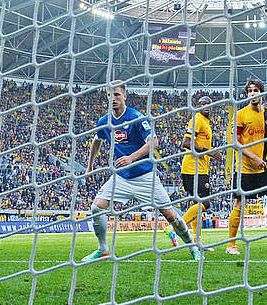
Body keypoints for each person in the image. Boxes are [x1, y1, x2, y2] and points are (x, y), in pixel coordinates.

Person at [80, 83, 200, 262]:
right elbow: (96, 141)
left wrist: (131, 158)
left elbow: (154, 142)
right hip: (121, 178)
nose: (113, 98)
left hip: (145, 177)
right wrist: (90, 166)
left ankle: (192, 246)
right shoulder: (104, 122)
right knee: (96, 207)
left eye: (117, 95)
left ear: (125, 96)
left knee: (171, 215)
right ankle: (103, 249)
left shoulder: (136, 117)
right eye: (109, 95)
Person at [225, 80, 267, 255]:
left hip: (264, 167)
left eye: (256, 90)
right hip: (245, 169)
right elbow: (234, 142)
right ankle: (231, 245)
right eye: (249, 91)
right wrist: (253, 157)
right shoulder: (240, 115)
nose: (252, 94)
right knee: (239, 203)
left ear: (261, 93)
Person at [171, 94, 215, 249]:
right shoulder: (197, 119)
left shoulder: (206, 122)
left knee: (198, 205)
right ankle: (174, 228)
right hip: (193, 169)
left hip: (200, 169)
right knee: (206, 203)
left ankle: (197, 243)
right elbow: (186, 142)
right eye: (202, 103)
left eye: (208, 104)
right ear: (198, 106)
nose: (206, 106)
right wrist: (210, 152)